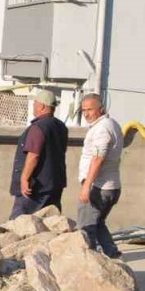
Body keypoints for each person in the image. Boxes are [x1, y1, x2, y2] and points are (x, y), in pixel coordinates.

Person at [9, 89, 68, 218]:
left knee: (18, 224)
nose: (33, 106)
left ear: (41, 106)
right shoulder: (60, 127)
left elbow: (34, 155)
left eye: (35, 103)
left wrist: (24, 179)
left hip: (36, 188)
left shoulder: (38, 127)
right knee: (49, 224)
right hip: (55, 185)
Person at [77, 94, 122, 257]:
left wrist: (86, 186)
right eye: (83, 110)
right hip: (111, 187)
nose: (86, 114)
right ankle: (113, 254)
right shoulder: (112, 124)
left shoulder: (102, 128)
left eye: (90, 109)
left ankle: (89, 265)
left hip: (99, 187)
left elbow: (98, 158)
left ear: (101, 109)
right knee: (98, 223)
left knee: (86, 228)